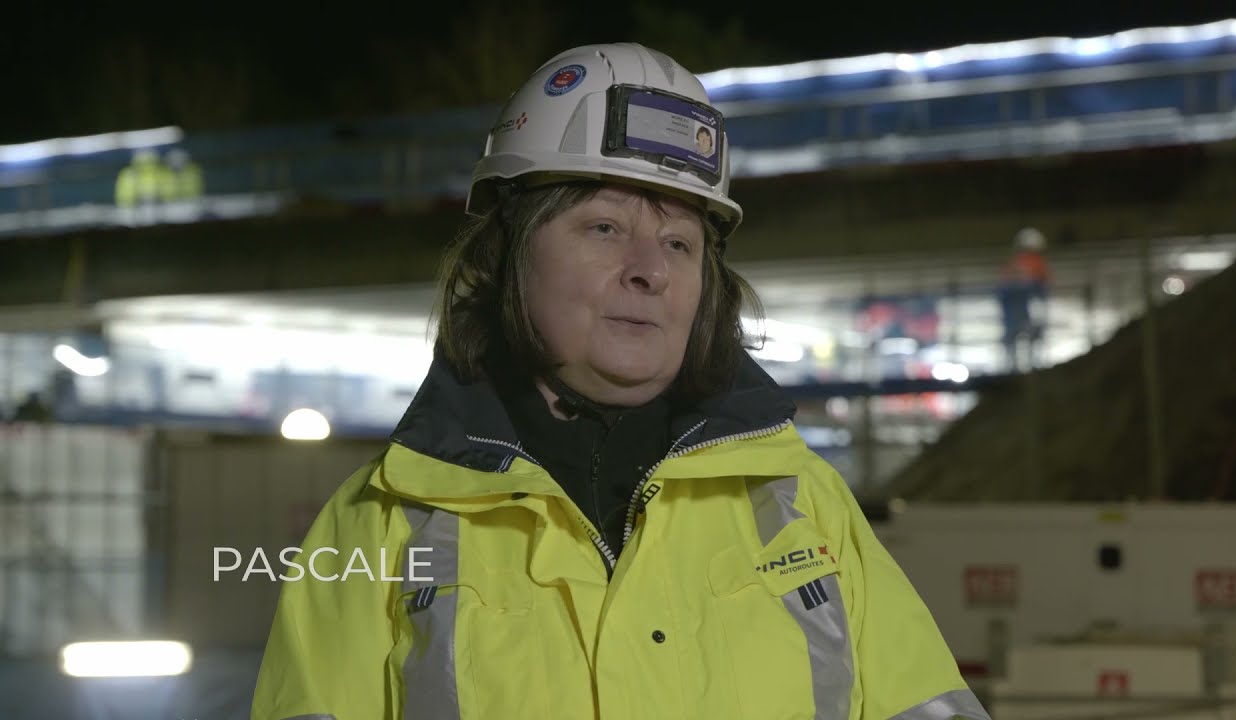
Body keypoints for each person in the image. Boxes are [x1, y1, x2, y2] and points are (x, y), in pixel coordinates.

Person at [251, 43, 989, 720]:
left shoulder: (804, 504)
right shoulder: (380, 523)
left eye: (679, 242)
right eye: (604, 227)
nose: (651, 270)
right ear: (508, 251)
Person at [997, 226, 1051, 372]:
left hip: (1015, 310)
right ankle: (1031, 368)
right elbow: (1042, 289)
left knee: (1015, 341)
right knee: (1032, 339)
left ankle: (1014, 370)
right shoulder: (1036, 264)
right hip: (1023, 308)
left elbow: (1003, 290)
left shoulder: (1013, 264)